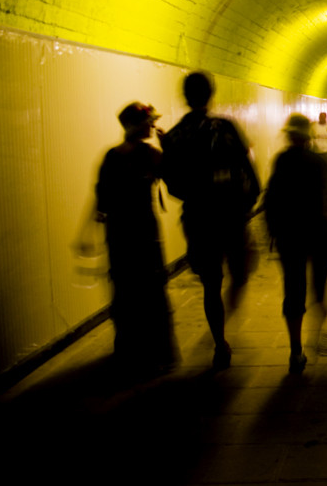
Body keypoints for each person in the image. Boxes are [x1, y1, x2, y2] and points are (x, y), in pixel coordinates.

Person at [160, 72, 260, 369]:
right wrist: (251, 198)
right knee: (240, 272)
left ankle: (220, 341)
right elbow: (247, 165)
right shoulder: (225, 126)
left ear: (185, 96)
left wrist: (195, 195)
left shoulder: (176, 135)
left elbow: (172, 184)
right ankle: (228, 315)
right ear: (211, 94)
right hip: (230, 213)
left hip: (198, 217)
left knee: (210, 284)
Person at [94, 102, 177, 375]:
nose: (153, 126)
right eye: (149, 122)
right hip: (144, 233)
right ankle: (158, 353)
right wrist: (170, 148)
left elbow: (102, 201)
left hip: (119, 234)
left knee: (125, 292)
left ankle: (128, 352)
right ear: (137, 126)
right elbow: (176, 180)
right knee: (152, 291)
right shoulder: (151, 155)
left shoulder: (111, 156)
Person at [263, 114, 327, 374]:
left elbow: (270, 199)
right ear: (308, 136)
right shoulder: (319, 162)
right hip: (318, 231)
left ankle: (296, 351)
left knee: (293, 290)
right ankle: (316, 332)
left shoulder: (281, 161)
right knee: (319, 286)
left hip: (289, 235)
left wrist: (271, 233)